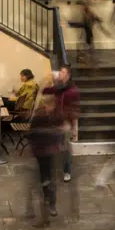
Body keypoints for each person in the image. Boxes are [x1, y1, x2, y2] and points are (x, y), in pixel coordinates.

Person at [28, 95, 66, 223]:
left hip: (52, 151)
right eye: (47, 105)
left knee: (51, 178)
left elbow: (61, 132)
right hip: (41, 150)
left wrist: (57, 136)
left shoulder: (57, 116)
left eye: (50, 105)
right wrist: (50, 132)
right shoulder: (39, 116)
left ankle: (51, 204)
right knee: (44, 176)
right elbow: (32, 132)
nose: (48, 108)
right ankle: (45, 200)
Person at [43, 65, 81, 182]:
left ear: (68, 75)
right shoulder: (59, 87)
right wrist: (48, 81)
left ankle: (67, 171)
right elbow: (46, 91)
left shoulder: (72, 90)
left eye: (62, 72)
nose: (60, 73)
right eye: (59, 71)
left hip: (66, 122)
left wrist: (73, 125)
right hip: (56, 120)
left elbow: (76, 109)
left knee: (65, 148)